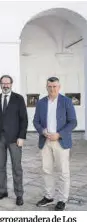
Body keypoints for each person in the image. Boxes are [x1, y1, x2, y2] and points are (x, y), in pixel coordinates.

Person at [33, 77, 77, 211]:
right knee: (46, 170)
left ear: (59, 87)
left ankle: (62, 200)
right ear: (46, 87)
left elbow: (73, 122)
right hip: (45, 140)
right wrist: (42, 131)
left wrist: (59, 134)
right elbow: (36, 121)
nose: (52, 89)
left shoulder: (66, 101)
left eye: (54, 86)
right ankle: (49, 196)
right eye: (50, 86)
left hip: (60, 141)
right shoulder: (41, 103)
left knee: (63, 172)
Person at [0, 75, 28, 206]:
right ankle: (3, 191)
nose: (5, 85)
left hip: (15, 139)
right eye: (3, 83)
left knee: (17, 167)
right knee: (1, 167)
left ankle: (19, 194)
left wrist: (22, 137)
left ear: (11, 84)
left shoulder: (18, 99)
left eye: (7, 83)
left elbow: (24, 119)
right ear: (0, 84)